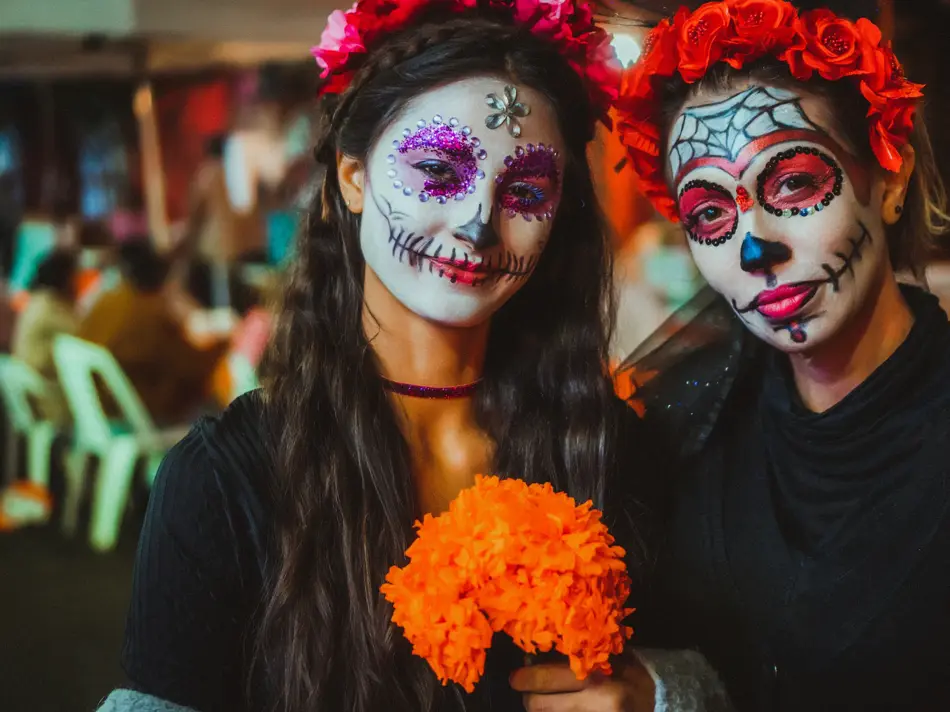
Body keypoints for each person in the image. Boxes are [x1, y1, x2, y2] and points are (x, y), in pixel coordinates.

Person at [94, 2, 692, 711]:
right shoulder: (226, 482)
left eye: (526, 191)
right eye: (438, 170)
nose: (477, 222)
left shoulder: (608, 449)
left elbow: (713, 660)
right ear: (353, 175)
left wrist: (662, 692)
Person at [614, 0, 950, 709]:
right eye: (710, 212)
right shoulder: (686, 425)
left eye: (794, 182)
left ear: (889, 179)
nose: (755, 248)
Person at [78, 239, 226, 425]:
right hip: (135, 413)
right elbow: (190, 369)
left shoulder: (108, 301)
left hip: (97, 408)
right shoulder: (150, 313)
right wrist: (223, 343)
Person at [10, 249, 79, 425]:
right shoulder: (50, 307)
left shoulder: (35, 301)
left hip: (29, 389)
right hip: (45, 396)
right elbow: (83, 334)